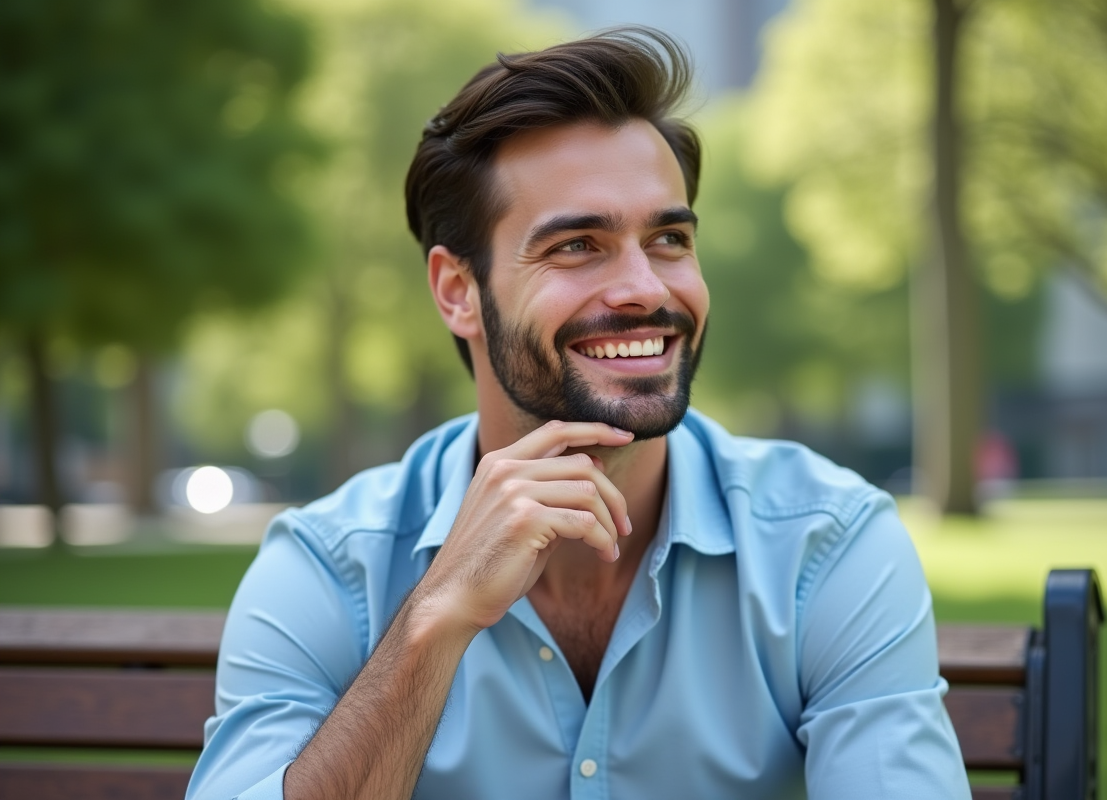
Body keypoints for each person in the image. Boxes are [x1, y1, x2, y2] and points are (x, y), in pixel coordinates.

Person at [187, 28, 971, 800]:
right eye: (577, 247)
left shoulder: (823, 548)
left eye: (669, 238)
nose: (645, 288)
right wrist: (433, 621)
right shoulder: (330, 568)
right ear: (457, 291)